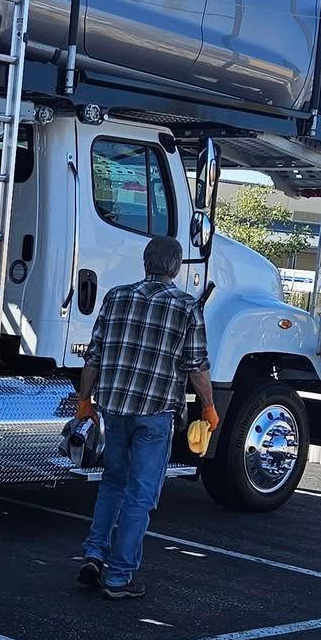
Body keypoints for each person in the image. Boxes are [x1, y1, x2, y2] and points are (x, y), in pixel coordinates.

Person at [74, 235, 218, 600]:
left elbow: (94, 355)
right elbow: (196, 365)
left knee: (112, 484)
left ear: (145, 262)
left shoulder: (116, 297)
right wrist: (208, 406)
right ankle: (119, 577)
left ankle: (94, 554)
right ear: (174, 267)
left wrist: (84, 400)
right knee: (140, 495)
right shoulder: (186, 307)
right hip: (155, 414)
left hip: (115, 409)